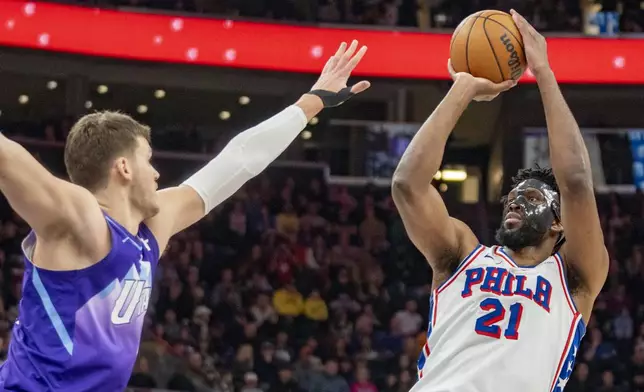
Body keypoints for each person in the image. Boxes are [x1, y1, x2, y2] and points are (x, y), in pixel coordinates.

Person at [0, 40, 370, 391]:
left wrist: (311, 103)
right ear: (124, 168)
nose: (158, 173)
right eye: (149, 160)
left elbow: (236, 161)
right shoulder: (82, 221)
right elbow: (8, 158)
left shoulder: (149, 233)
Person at [391, 10, 608, 392]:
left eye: (531, 197)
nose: (515, 203)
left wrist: (543, 73)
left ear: (558, 223)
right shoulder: (461, 253)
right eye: (511, 198)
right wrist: (463, 88)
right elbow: (408, 184)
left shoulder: (574, 280)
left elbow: (575, 181)